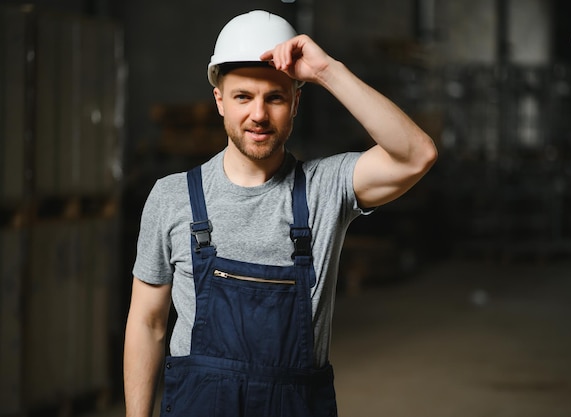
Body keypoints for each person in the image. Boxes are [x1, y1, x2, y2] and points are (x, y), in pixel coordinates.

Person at [123, 9, 437, 417]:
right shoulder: (171, 197)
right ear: (219, 100)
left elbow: (417, 155)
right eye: (242, 97)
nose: (258, 114)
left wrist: (327, 71)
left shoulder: (328, 188)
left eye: (275, 97)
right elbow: (147, 324)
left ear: (295, 102)